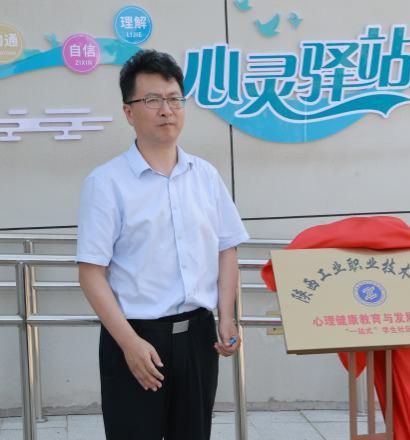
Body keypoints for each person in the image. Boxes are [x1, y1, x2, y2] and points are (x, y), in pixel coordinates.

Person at [76, 49, 249, 440]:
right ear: (129, 112)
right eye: (152, 100)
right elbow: (91, 273)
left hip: (199, 337)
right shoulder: (106, 183)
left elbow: (227, 248)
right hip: (136, 337)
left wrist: (226, 316)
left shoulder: (205, 176)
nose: (167, 110)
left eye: (174, 99)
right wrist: (129, 343)